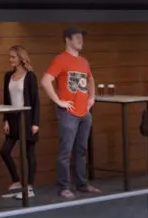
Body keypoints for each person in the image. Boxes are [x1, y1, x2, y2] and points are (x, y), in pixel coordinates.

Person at [42, 26, 98, 198]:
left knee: (81, 150)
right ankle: (64, 186)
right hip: (69, 113)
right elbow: (45, 80)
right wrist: (58, 101)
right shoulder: (61, 59)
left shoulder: (83, 61)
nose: (80, 40)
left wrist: (91, 98)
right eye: (76, 37)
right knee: (65, 151)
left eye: (81, 37)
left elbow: (90, 79)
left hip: (84, 112)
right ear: (67, 39)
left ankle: (82, 184)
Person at [0, 45, 40, 196]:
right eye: (9, 57)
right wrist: (5, 120)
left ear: (21, 58)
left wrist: (36, 123)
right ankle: (17, 182)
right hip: (12, 119)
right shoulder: (7, 76)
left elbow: (36, 101)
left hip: (28, 119)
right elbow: (6, 99)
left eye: (13, 57)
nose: (10, 59)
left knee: (29, 153)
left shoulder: (30, 76)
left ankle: (29, 187)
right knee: (5, 151)